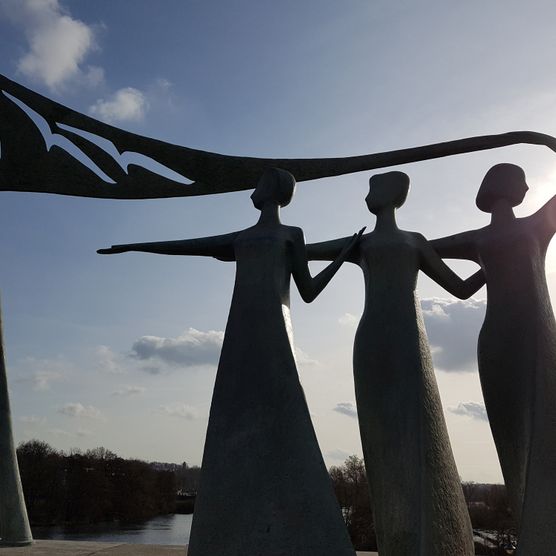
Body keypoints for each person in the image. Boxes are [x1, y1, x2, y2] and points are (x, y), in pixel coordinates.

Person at [98, 168, 362, 556]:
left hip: (274, 330)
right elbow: (187, 245)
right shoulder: (243, 237)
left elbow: (307, 293)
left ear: (271, 190)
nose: (250, 192)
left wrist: (341, 256)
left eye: (256, 185)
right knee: (233, 413)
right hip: (240, 330)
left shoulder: (292, 235)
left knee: (284, 409)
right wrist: (133, 246)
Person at [307, 171, 484, 556]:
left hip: (409, 341)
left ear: (393, 193)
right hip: (371, 342)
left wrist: (503, 261)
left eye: (373, 188)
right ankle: (398, 538)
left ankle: (433, 539)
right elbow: (301, 254)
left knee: (421, 432)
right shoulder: (361, 243)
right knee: (381, 441)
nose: (366, 195)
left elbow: (462, 288)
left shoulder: (414, 242)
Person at [431, 163, 556, 555]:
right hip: (497, 341)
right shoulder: (478, 237)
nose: (524, 187)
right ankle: (534, 531)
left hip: (539, 337)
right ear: (507, 186)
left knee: (547, 428)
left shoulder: (538, 224)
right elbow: (421, 250)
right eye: (521, 180)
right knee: (511, 438)